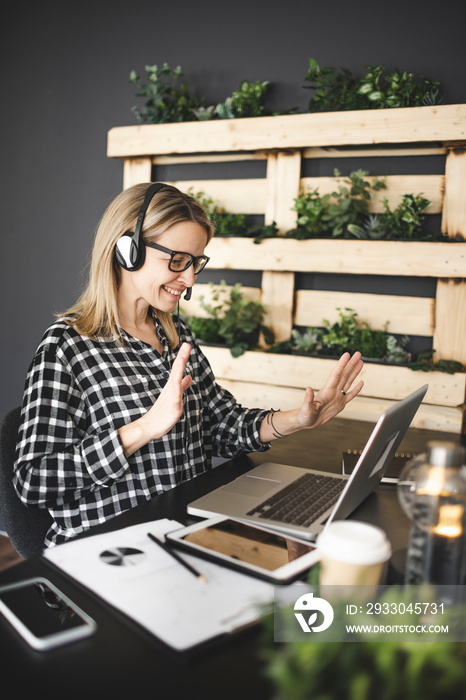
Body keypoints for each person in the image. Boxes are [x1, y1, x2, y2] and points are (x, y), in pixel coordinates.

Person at [13, 183, 364, 547]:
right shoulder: (67, 346)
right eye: (177, 260)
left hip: (184, 538)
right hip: (109, 555)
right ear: (126, 250)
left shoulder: (175, 334)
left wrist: (298, 419)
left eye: (195, 262)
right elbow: (33, 483)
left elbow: (220, 425)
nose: (190, 278)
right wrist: (144, 428)